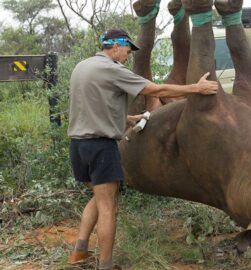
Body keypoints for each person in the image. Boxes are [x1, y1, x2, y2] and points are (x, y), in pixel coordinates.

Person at [67, 29, 218, 270]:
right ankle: (105, 265)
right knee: (108, 206)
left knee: (98, 197)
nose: (128, 54)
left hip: (78, 147)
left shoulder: (82, 67)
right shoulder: (112, 69)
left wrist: (126, 119)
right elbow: (156, 90)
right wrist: (195, 89)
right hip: (101, 148)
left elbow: (91, 107)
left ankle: (79, 252)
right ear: (115, 46)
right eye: (127, 48)